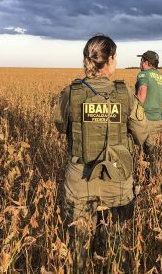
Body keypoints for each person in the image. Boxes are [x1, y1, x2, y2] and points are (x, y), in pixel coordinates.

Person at [54, 34, 148, 269]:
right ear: (111, 59)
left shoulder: (71, 92)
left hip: (79, 182)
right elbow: (141, 134)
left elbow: (59, 125)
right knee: (114, 249)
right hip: (116, 181)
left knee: (78, 249)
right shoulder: (124, 93)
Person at [135, 50, 162, 178]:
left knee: (136, 149)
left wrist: (134, 110)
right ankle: (152, 178)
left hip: (143, 119)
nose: (140, 63)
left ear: (145, 62)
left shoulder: (143, 75)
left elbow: (142, 93)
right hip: (158, 120)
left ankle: (139, 177)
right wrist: (156, 102)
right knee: (152, 151)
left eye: (141, 61)